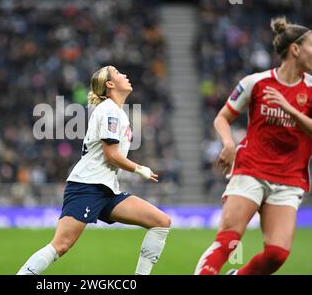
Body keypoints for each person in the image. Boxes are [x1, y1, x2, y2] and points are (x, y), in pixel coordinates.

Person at [17, 65, 171, 275]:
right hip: (87, 186)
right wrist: (139, 169)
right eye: (117, 73)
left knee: (161, 221)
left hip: (106, 189)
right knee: (61, 245)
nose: (124, 75)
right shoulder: (109, 110)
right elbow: (112, 155)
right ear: (109, 84)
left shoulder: (116, 112)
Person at [194, 17, 312, 275]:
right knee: (228, 241)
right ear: (295, 49)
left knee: (277, 255)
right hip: (251, 169)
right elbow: (222, 117)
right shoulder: (255, 82)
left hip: (289, 178)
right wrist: (228, 143)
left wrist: (288, 108)